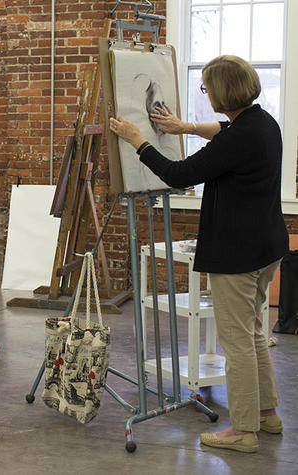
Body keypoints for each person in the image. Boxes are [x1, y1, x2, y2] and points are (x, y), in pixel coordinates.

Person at [110, 55, 286, 453]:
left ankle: (243, 430)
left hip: (238, 255)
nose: (205, 94)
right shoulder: (262, 122)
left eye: (207, 88)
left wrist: (138, 140)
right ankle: (265, 413)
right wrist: (184, 127)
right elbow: (223, 131)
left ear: (223, 92)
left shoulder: (240, 138)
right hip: (266, 247)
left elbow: (179, 174)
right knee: (253, 334)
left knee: (237, 342)